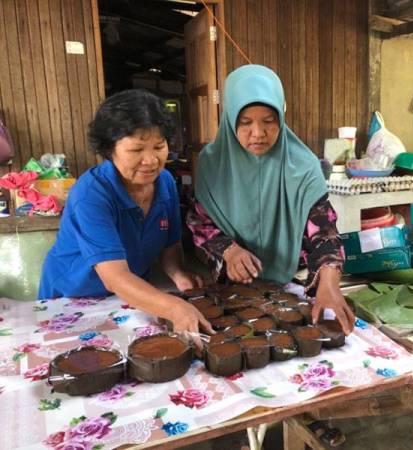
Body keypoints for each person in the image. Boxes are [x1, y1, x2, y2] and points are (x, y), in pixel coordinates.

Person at [188, 64, 355, 335]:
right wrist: (229, 252)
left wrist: (329, 283)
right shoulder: (212, 163)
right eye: (245, 122)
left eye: (269, 121)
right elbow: (200, 223)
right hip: (231, 287)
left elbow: (323, 231)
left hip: (291, 283)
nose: (258, 133)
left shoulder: (303, 165)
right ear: (230, 119)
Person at [39, 89, 213, 336]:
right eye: (136, 150)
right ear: (110, 150)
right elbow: (115, 276)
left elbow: (169, 245)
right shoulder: (92, 194)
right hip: (74, 299)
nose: (151, 160)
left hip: (134, 296)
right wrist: (173, 307)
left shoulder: (165, 182)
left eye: (159, 146)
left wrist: (177, 274)